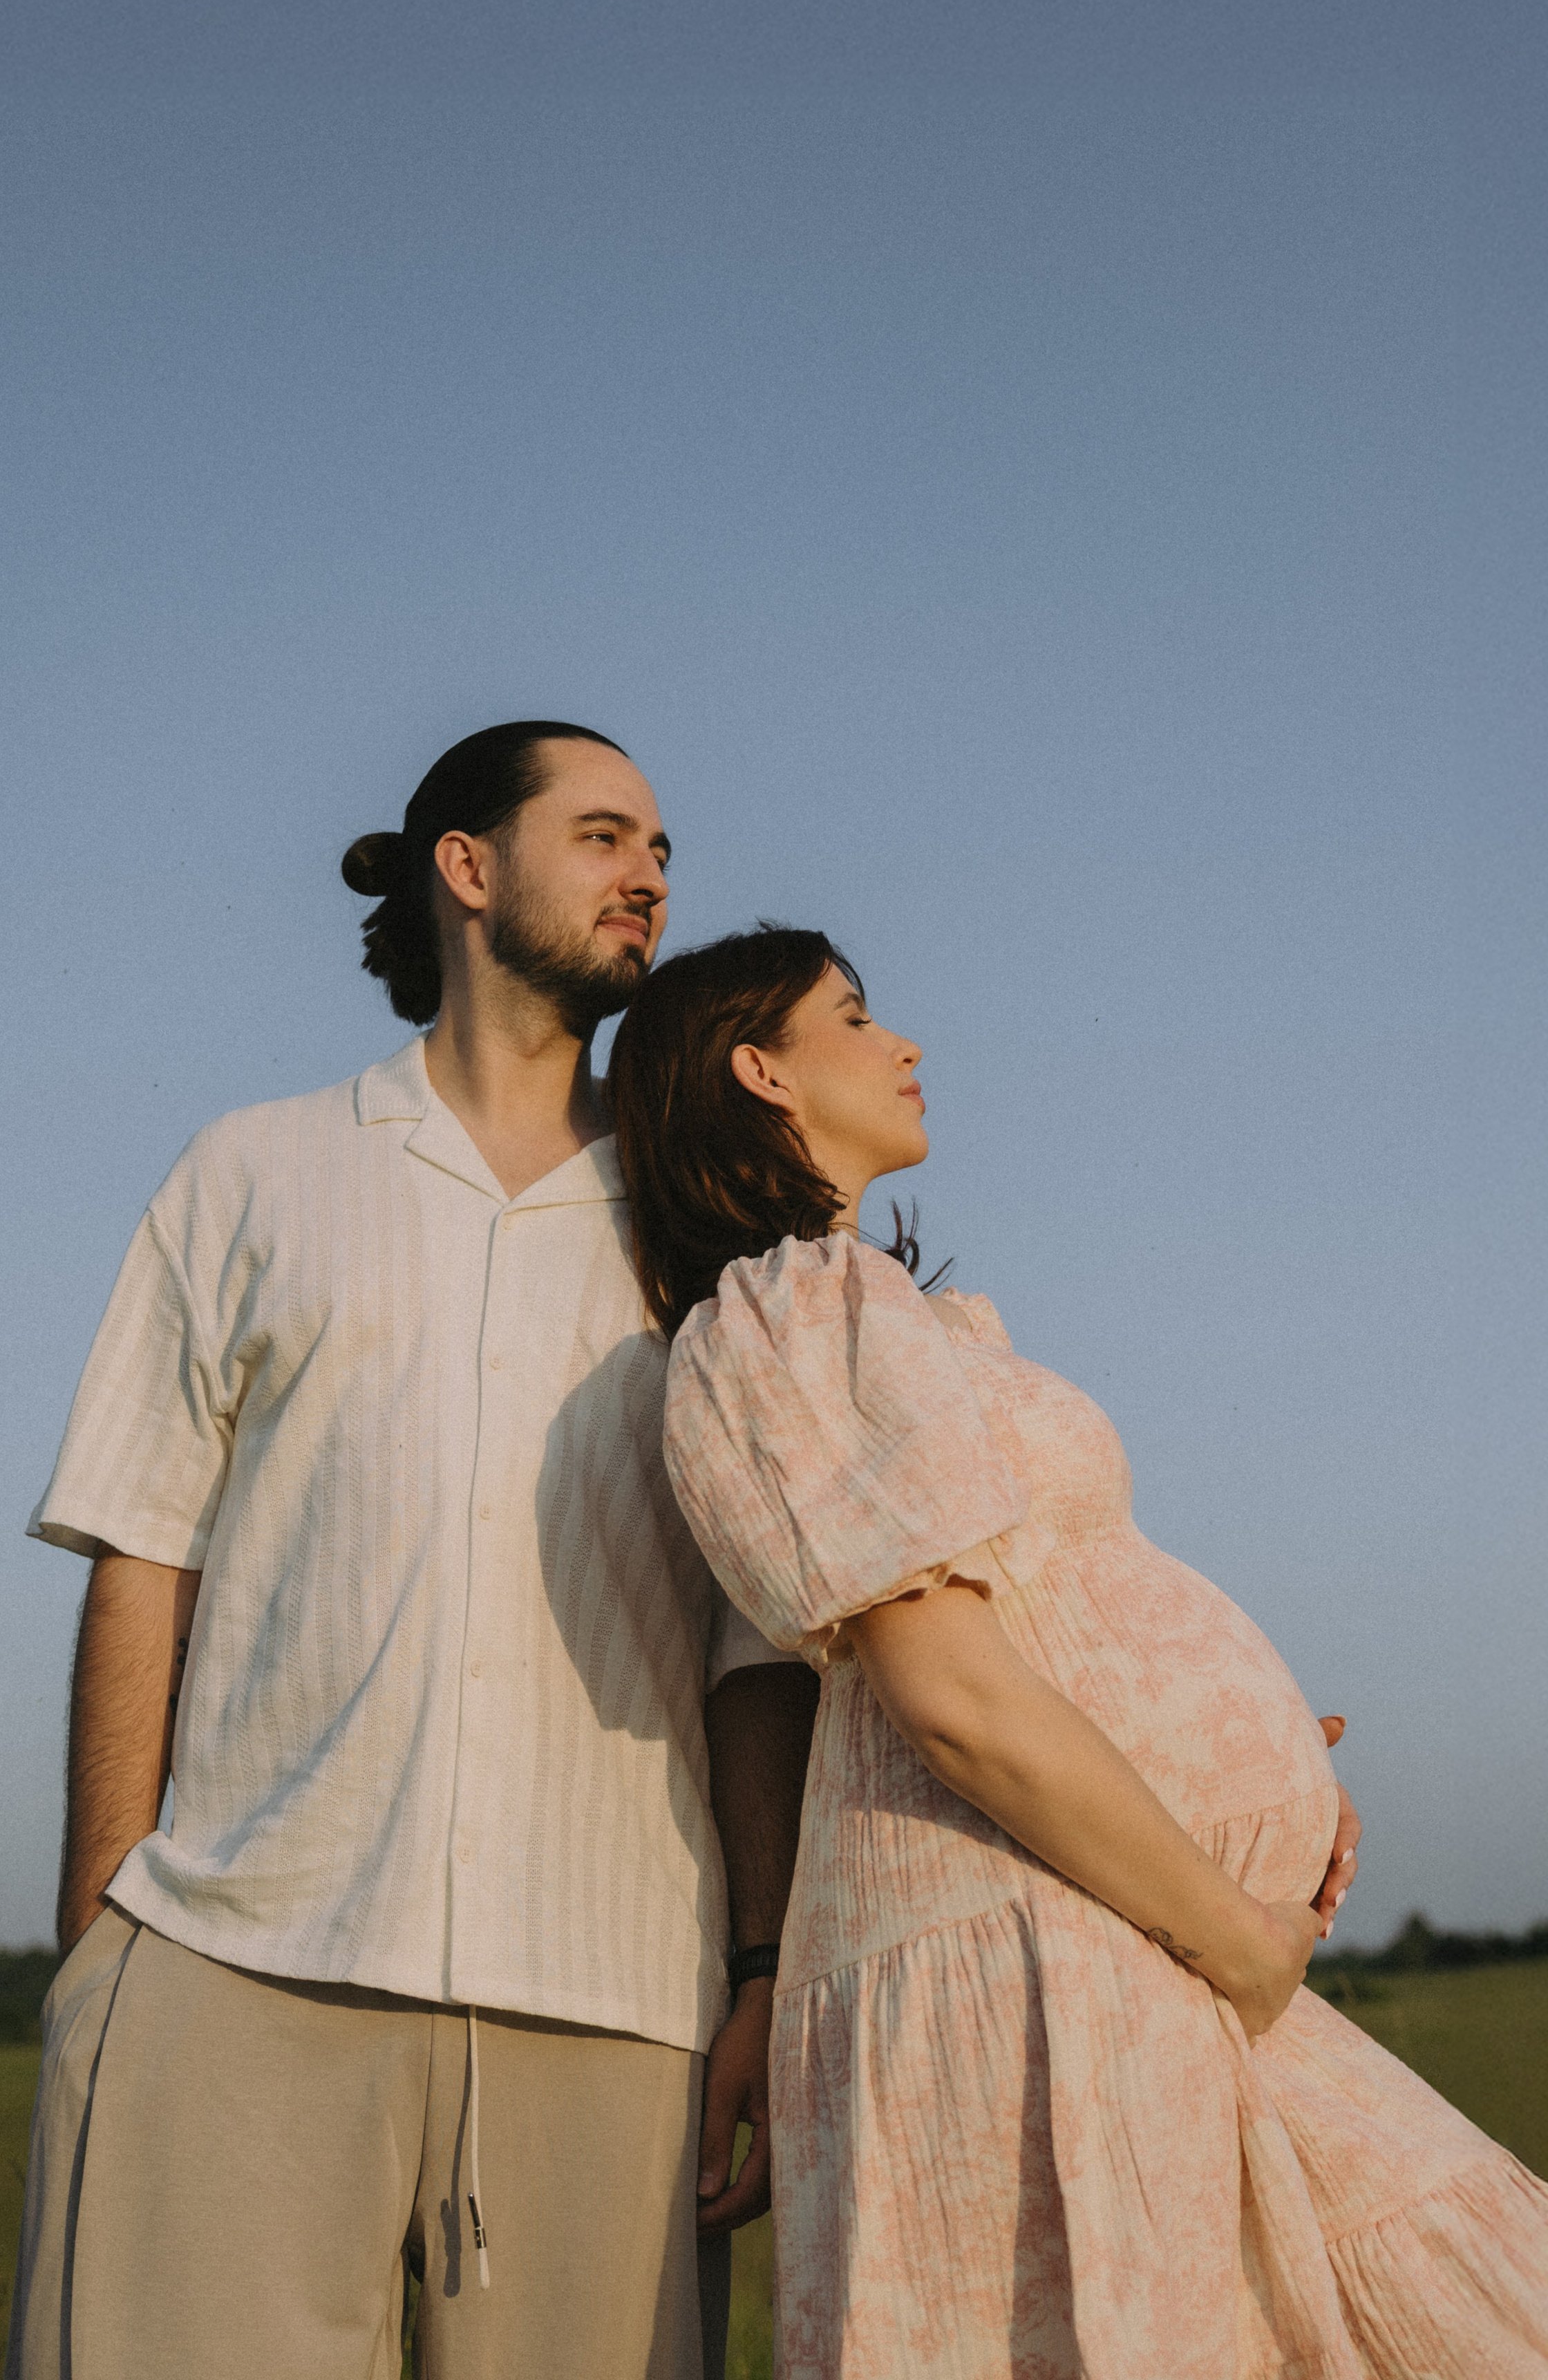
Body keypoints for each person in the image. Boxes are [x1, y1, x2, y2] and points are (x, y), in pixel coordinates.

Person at [606, 924, 1548, 2380]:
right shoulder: (788, 1313)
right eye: (855, 1016)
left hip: (1111, 1921)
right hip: (1026, 1937)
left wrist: (1249, 1751)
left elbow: (1042, 1621)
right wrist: (1231, 1926)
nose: (903, 1042)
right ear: (760, 1069)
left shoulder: (898, 1321)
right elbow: (948, 1693)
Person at [6, 727, 820, 2380]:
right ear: (465, 864)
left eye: (660, 846)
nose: (648, 875)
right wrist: (103, 1945)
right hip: (243, 1968)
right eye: (601, 835)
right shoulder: (252, 1170)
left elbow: (757, 1647)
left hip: (614, 2000)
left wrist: (755, 1966)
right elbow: (140, 1550)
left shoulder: (705, 1219)